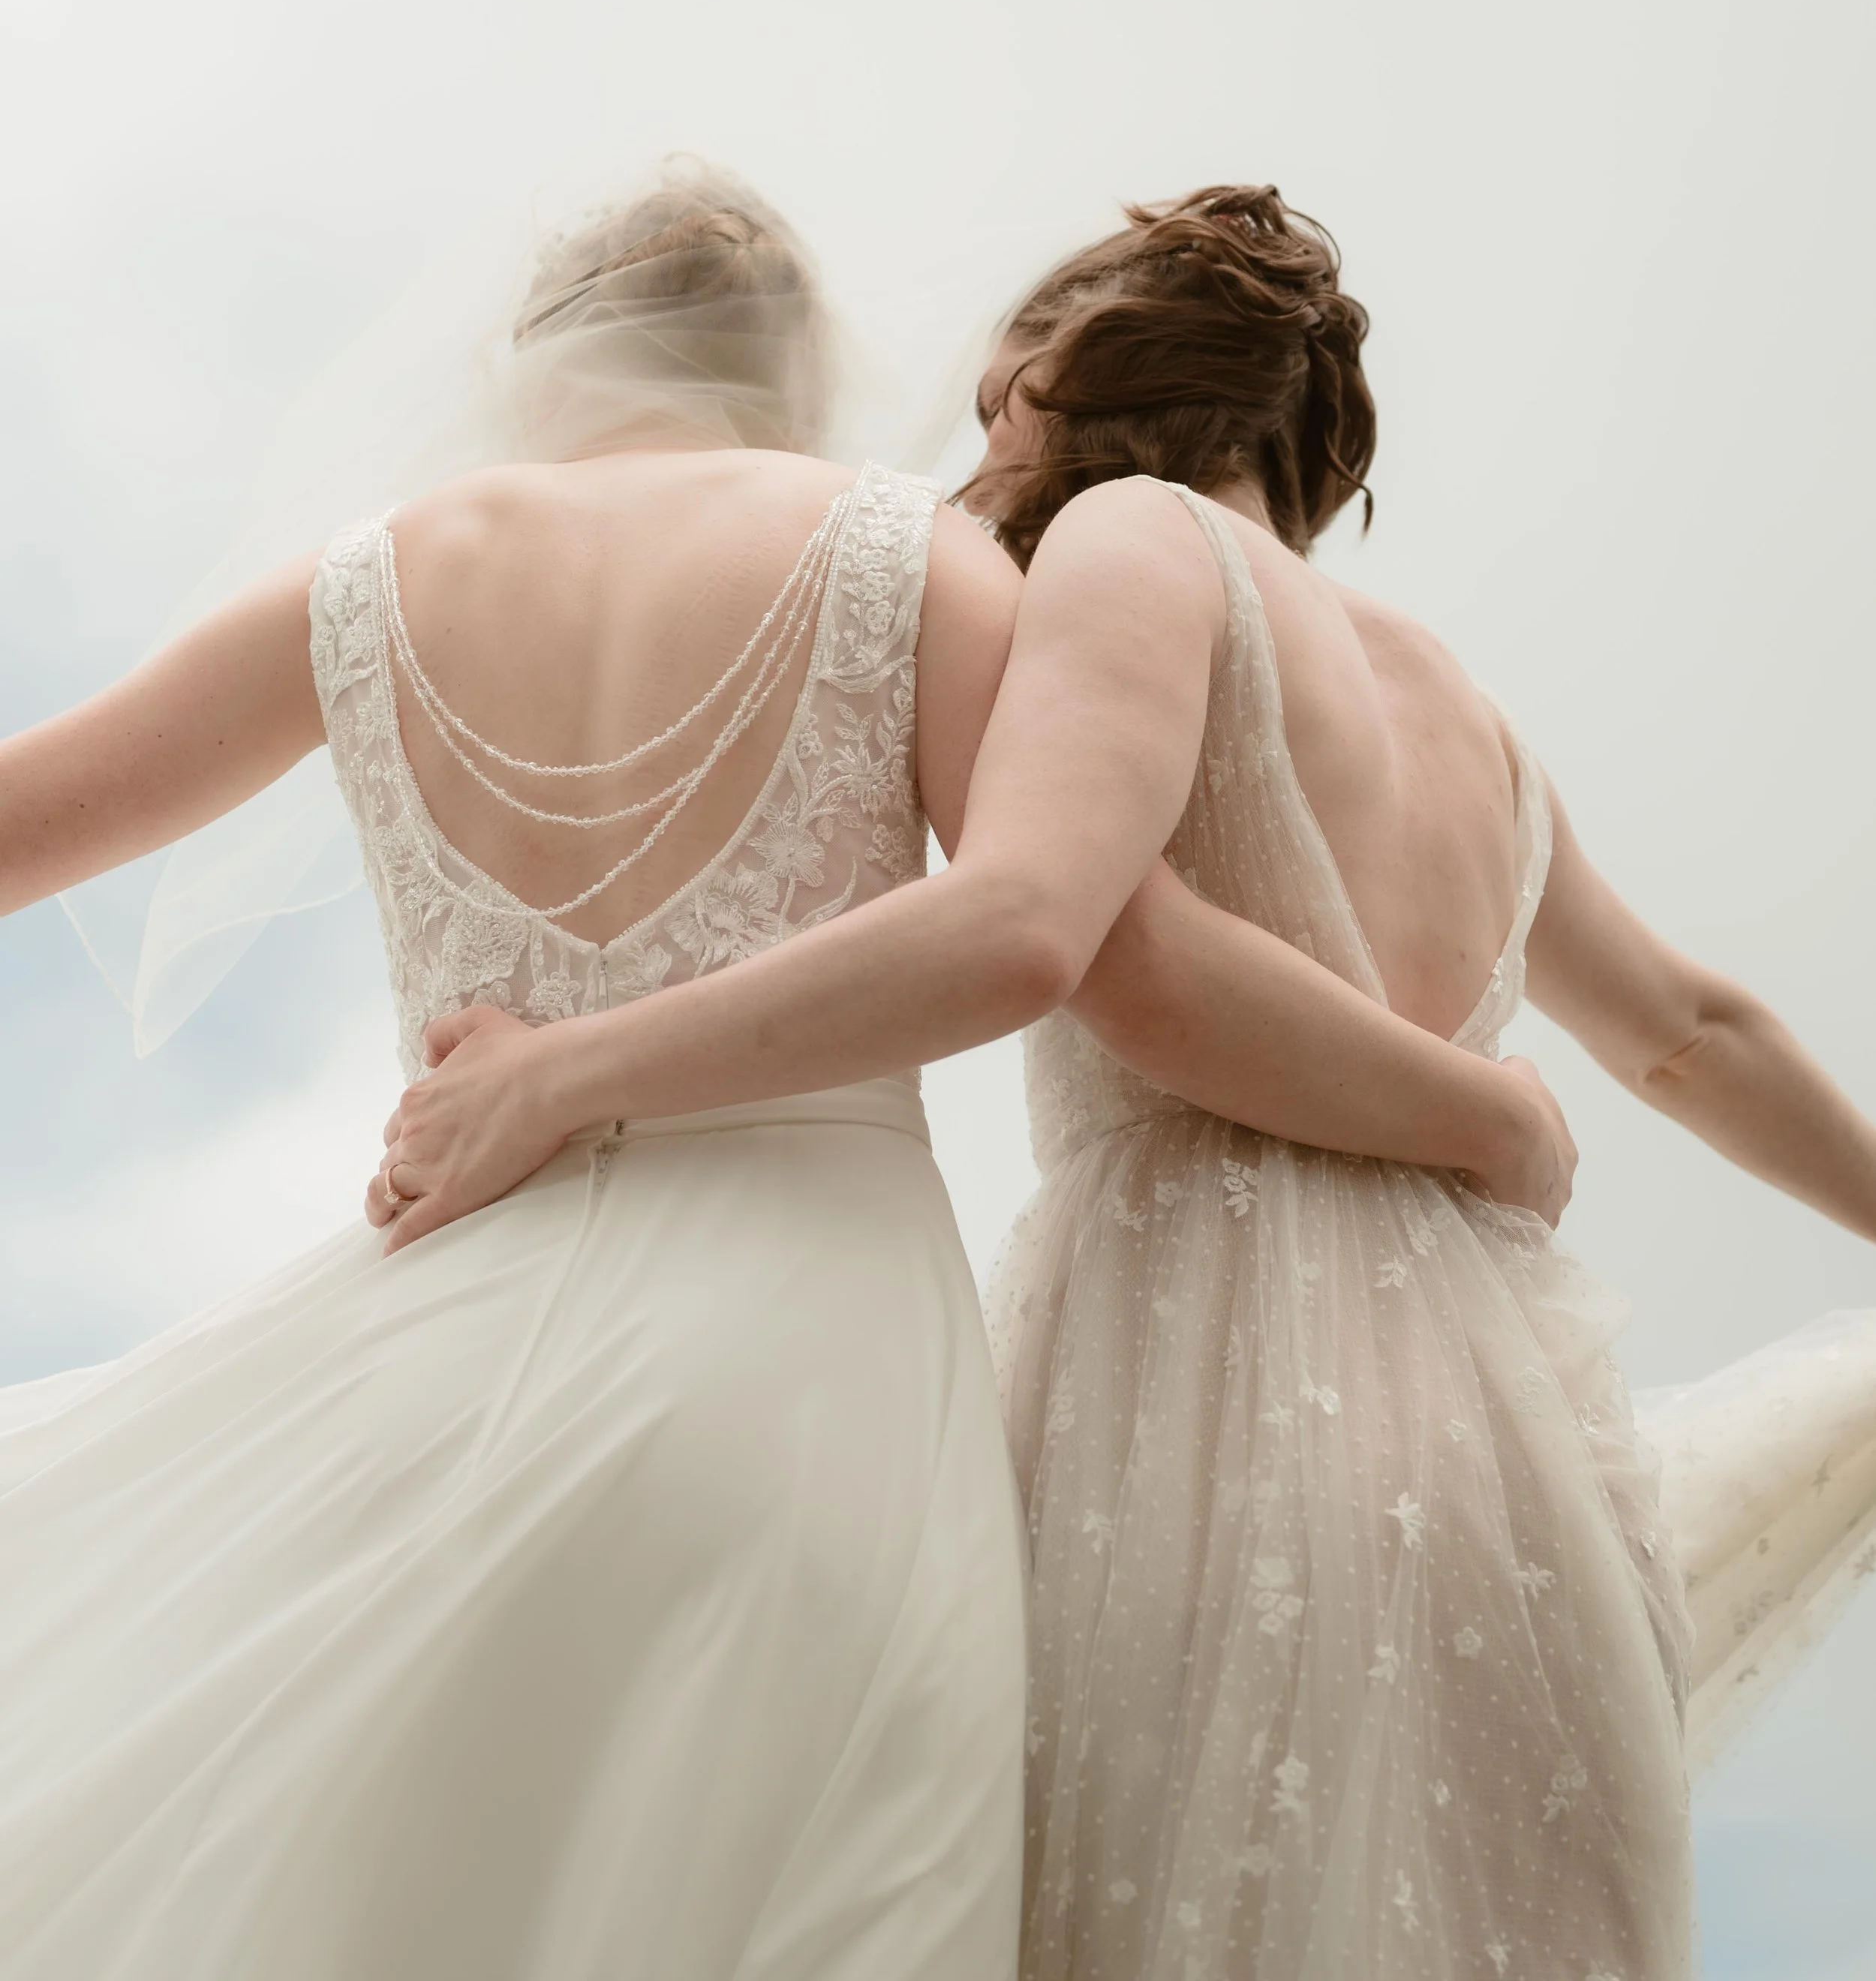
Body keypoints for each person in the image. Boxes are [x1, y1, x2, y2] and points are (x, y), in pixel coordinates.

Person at [0, 166, 1580, 1981]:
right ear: (801, 362)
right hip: (813, 1371)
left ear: (537, 357)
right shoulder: (923, 563)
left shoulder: (361, 586)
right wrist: (1479, 1110)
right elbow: (1088, 936)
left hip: (437, 1348)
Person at [384, 185, 1876, 1981]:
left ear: (1068, 364)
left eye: (1008, 372)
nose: (983, 409)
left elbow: (1086, 942)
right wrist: (1493, 1106)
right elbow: (1688, 1031)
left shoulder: (1136, 545)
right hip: (1523, 1448)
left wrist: (566, 1074)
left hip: (1210, 1389)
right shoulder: (1464, 713)